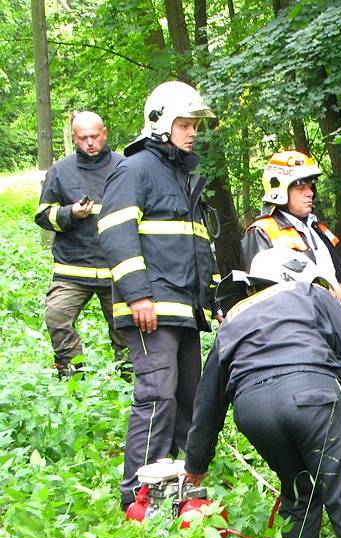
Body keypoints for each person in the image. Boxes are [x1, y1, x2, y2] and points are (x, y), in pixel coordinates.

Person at [183, 247, 341, 538]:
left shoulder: (234, 318)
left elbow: (207, 400)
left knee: (299, 491)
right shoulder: (310, 294)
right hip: (312, 397)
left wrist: (196, 463)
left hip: (253, 412)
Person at [97, 81, 220, 510]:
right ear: (160, 123)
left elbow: (196, 249)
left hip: (184, 311)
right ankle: (139, 495)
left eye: (195, 126)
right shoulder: (135, 170)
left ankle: (183, 490)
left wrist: (213, 302)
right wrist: (137, 296)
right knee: (157, 396)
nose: (192, 133)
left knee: (189, 400)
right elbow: (115, 234)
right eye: (184, 124)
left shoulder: (182, 176)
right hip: (151, 308)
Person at [34, 111, 127, 377]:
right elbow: (43, 215)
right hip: (72, 268)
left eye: (94, 137)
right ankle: (73, 372)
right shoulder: (60, 171)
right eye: (83, 138)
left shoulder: (125, 167)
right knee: (56, 316)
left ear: (105, 133)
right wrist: (70, 214)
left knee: (125, 329)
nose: (89, 143)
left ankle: (128, 379)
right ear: (74, 137)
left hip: (116, 267)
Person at [241, 150, 341, 311]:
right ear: (280, 190)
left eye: (310, 187)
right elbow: (265, 300)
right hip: (300, 328)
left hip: (334, 323)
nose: (309, 193)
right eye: (301, 188)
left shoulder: (316, 228)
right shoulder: (262, 232)